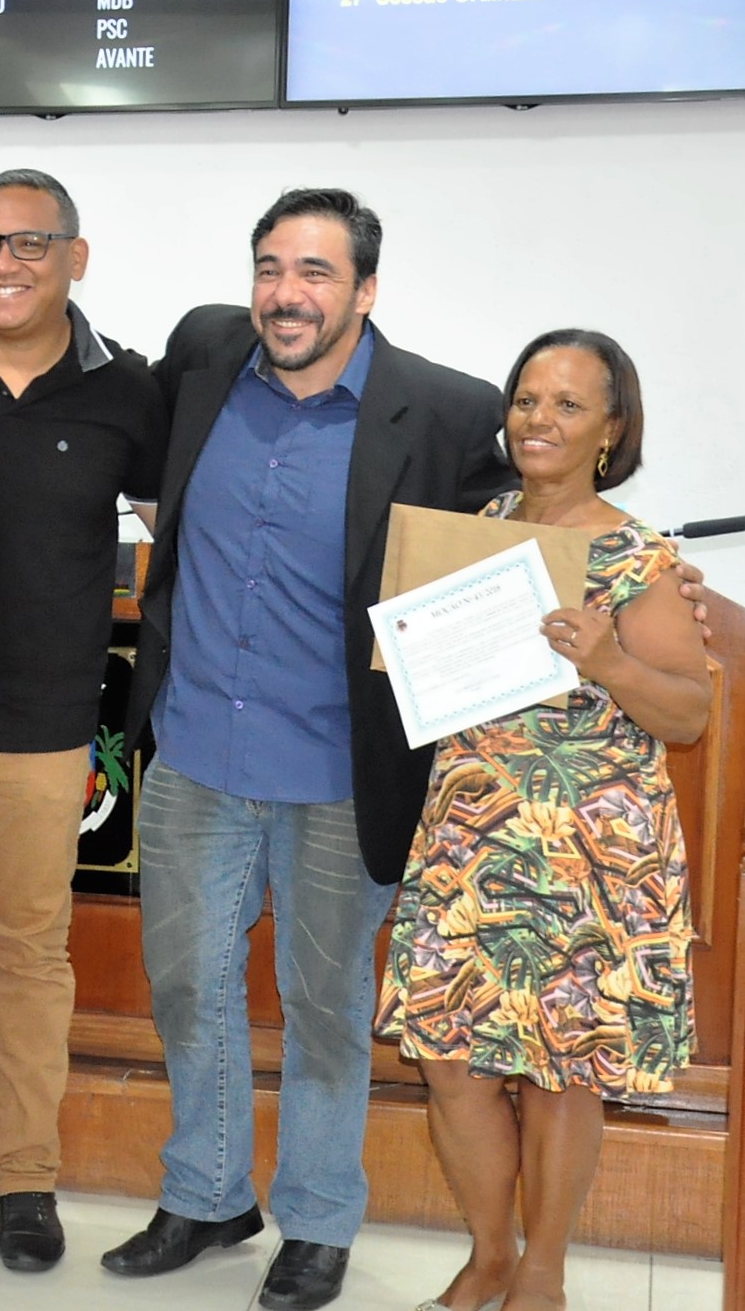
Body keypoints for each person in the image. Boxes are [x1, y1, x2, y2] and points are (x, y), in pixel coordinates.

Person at [110, 187, 515, 1311]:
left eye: (315, 272)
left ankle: (319, 1220)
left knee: (326, 1007)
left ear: (365, 290)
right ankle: (205, 1193)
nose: (285, 294)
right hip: (196, 747)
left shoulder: (442, 410)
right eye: (269, 268)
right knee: (184, 984)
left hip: (342, 770)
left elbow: (515, 546)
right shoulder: (202, 361)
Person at [376, 330, 708, 1311]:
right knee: (447, 1057)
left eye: (566, 404)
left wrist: (606, 660)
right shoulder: (475, 530)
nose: (538, 419)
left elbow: (687, 712)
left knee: (564, 1068)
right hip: (469, 839)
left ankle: (542, 1272)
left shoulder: (637, 556)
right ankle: (489, 1251)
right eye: (526, 399)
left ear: (610, 427)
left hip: (591, 853)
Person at [0, 168, 167, 1270]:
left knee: (28, 956)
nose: (1, 264)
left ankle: (24, 1178)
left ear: (75, 257)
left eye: (28, 244)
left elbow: (174, 526)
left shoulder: (128, 387)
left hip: (46, 721)